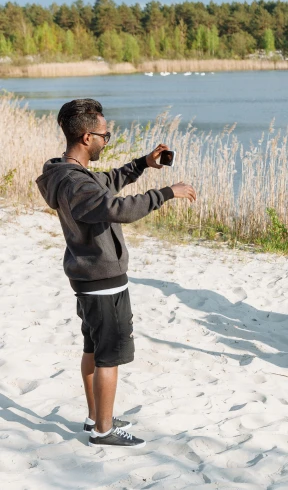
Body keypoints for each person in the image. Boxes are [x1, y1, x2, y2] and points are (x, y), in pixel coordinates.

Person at [36, 99, 197, 448]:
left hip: (88, 276)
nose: (106, 141)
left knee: (93, 347)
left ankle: (97, 416)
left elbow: (107, 182)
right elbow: (116, 208)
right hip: (101, 279)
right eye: (105, 136)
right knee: (110, 354)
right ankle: (104, 430)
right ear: (85, 136)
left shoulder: (68, 174)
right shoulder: (76, 183)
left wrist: (143, 164)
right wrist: (167, 192)